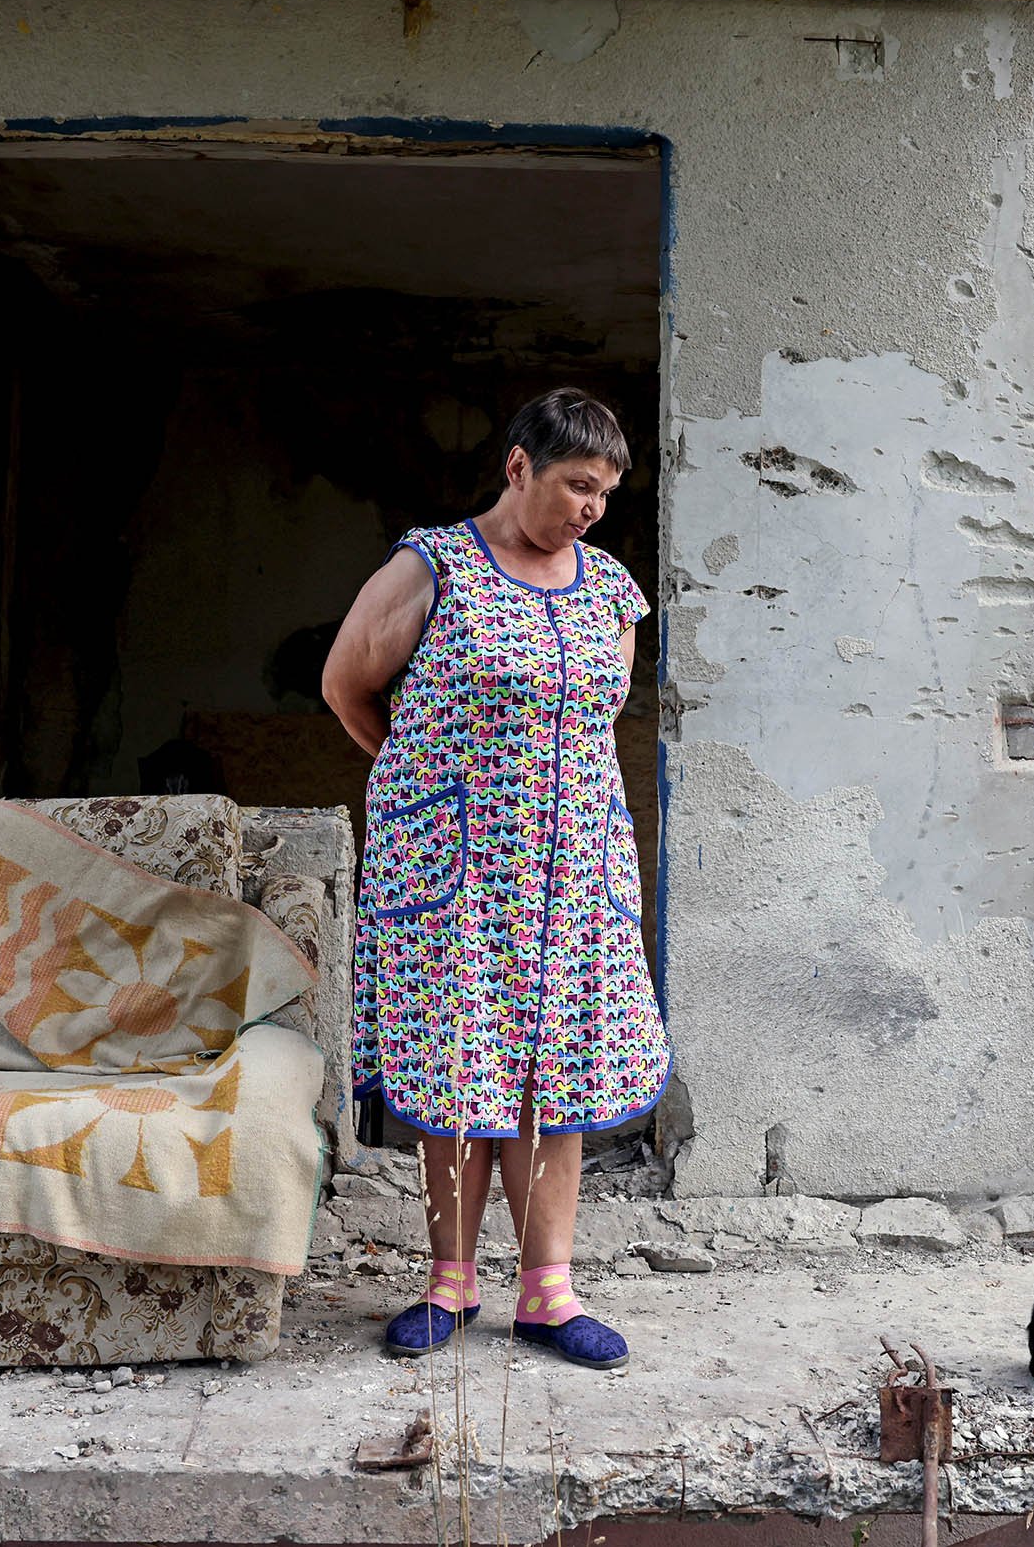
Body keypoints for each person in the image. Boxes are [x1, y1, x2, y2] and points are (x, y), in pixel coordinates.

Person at [322, 387, 670, 1370]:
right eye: (575, 485)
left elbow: (597, 720)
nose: (591, 507)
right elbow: (345, 685)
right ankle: (450, 1282)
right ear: (519, 466)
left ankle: (548, 1294)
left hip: (573, 873)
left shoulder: (609, 588)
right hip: (454, 868)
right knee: (458, 1065)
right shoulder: (430, 565)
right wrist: (424, 787)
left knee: (554, 1076)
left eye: (604, 491)